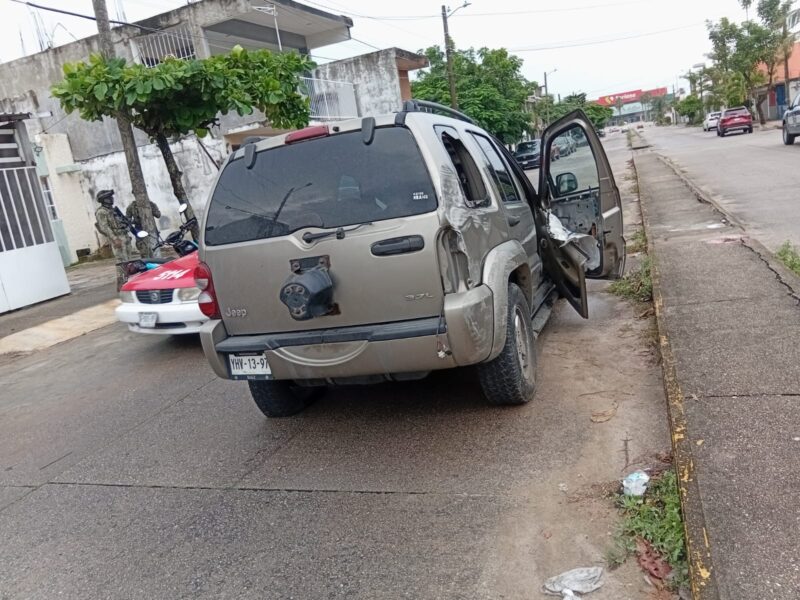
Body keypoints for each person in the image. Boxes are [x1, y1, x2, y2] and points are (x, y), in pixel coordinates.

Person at [94, 189, 131, 262]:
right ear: (104, 200)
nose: (112, 198)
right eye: (109, 197)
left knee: (129, 260)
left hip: (124, 235)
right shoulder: (101, 212)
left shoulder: (113, 210)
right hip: (117, 237)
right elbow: (104, 227)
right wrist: (115, 239)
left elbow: (121, 222)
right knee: (122, 261)